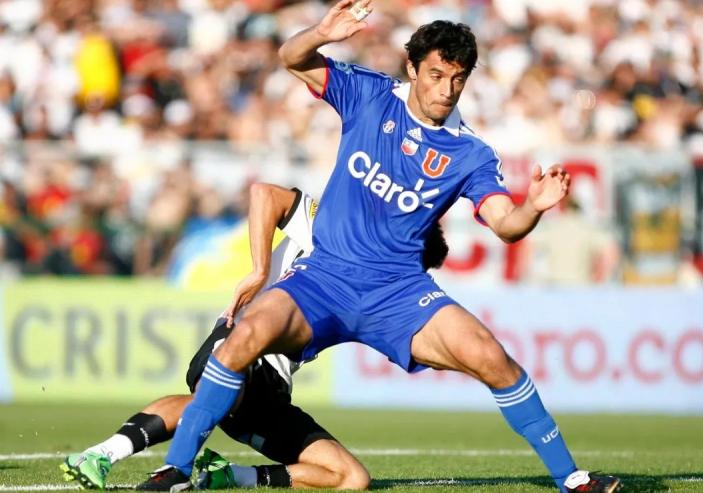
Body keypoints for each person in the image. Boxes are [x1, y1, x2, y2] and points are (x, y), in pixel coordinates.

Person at [140, 2, 620, 492]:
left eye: (458, 79)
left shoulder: (471, 154)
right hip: (323, 280)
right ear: (412, 68)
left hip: (397, 293)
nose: (446, 89)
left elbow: (505, 225)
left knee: (490, 356)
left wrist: (533, 206)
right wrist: (321, 32)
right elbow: (291, 57)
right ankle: (174, 471)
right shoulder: (369, 95)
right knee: (243, 338)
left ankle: (572, 480)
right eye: (436, 75)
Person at [61, 183, 449, 491]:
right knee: (215, 397)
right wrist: (260, 270)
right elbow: (265, 194)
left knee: (351, 477)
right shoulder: (334, 227)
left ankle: (229, 475)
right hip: (245, 339)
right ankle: (101, 454)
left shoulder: (374, 285)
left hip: (273, 388)